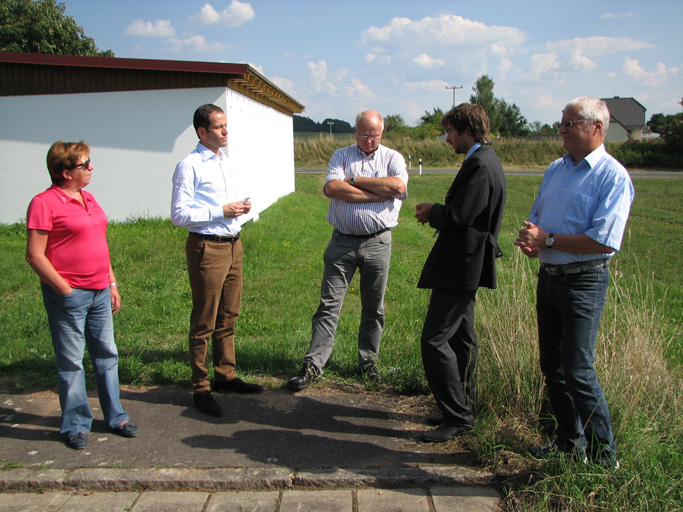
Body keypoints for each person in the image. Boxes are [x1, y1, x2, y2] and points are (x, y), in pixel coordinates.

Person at [514, 97, 634, 468]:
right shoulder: (556, 169)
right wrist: (532, 240)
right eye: (561, 122)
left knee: (578, 369)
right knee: (552, 366)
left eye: (570, 122)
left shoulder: (613, 177)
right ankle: (569, 442)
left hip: (585, 282)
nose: (562, 129)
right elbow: (538, 218)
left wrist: (547, 240)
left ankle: (603, 458)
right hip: (549, 278)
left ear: (597, 128)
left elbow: (604, 240)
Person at [25, 141, 138, 450]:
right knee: (72, 362)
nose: (91, 168)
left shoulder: (88, 198)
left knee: (107, 355)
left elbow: (99, 243)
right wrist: (64, 289)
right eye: (84, 164)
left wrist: (112, 283)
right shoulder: (43, 203)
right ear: (65, 172)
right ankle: (76, 423)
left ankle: (116, 417)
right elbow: (35, 255)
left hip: (100, 291)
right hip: (70, 296)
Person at [287, 110, 408, 391]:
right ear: (355, 132)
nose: (368, 139)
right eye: (363, 134)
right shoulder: (341, 156)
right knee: (328, 306)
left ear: (382, 133)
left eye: (374, 135)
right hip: (342, 242)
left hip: (378, 242)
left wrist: (353, 181)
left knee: (373, 308)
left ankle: (368, 364)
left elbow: (397, 186)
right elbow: (332, 188)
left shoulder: (393, 158)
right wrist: (376, 192)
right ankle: (313, 365)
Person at [414, 104, 506, 443]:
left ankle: (458, 415)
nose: (447, 138)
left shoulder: (480, 164)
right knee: (460, 339)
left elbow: (460, 216)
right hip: (464, 265)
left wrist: (432, 211)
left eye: (450, 131)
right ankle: (460, 405)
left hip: (460, 266)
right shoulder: (484, 160)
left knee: (434, 339)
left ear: (468, 129)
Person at [171, 104, 262, 418]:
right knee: (204, 320)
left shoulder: (225, 162)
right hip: (207, 248)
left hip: (234, 243)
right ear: (202, 131)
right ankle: (201, 386)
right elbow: (179, 215)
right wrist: (220, 211)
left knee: (229, 314)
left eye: (226, 126)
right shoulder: (190, 166)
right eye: (219, 127)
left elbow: (230, 201)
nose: (226, 132)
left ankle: (226, 374)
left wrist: (242, 208)